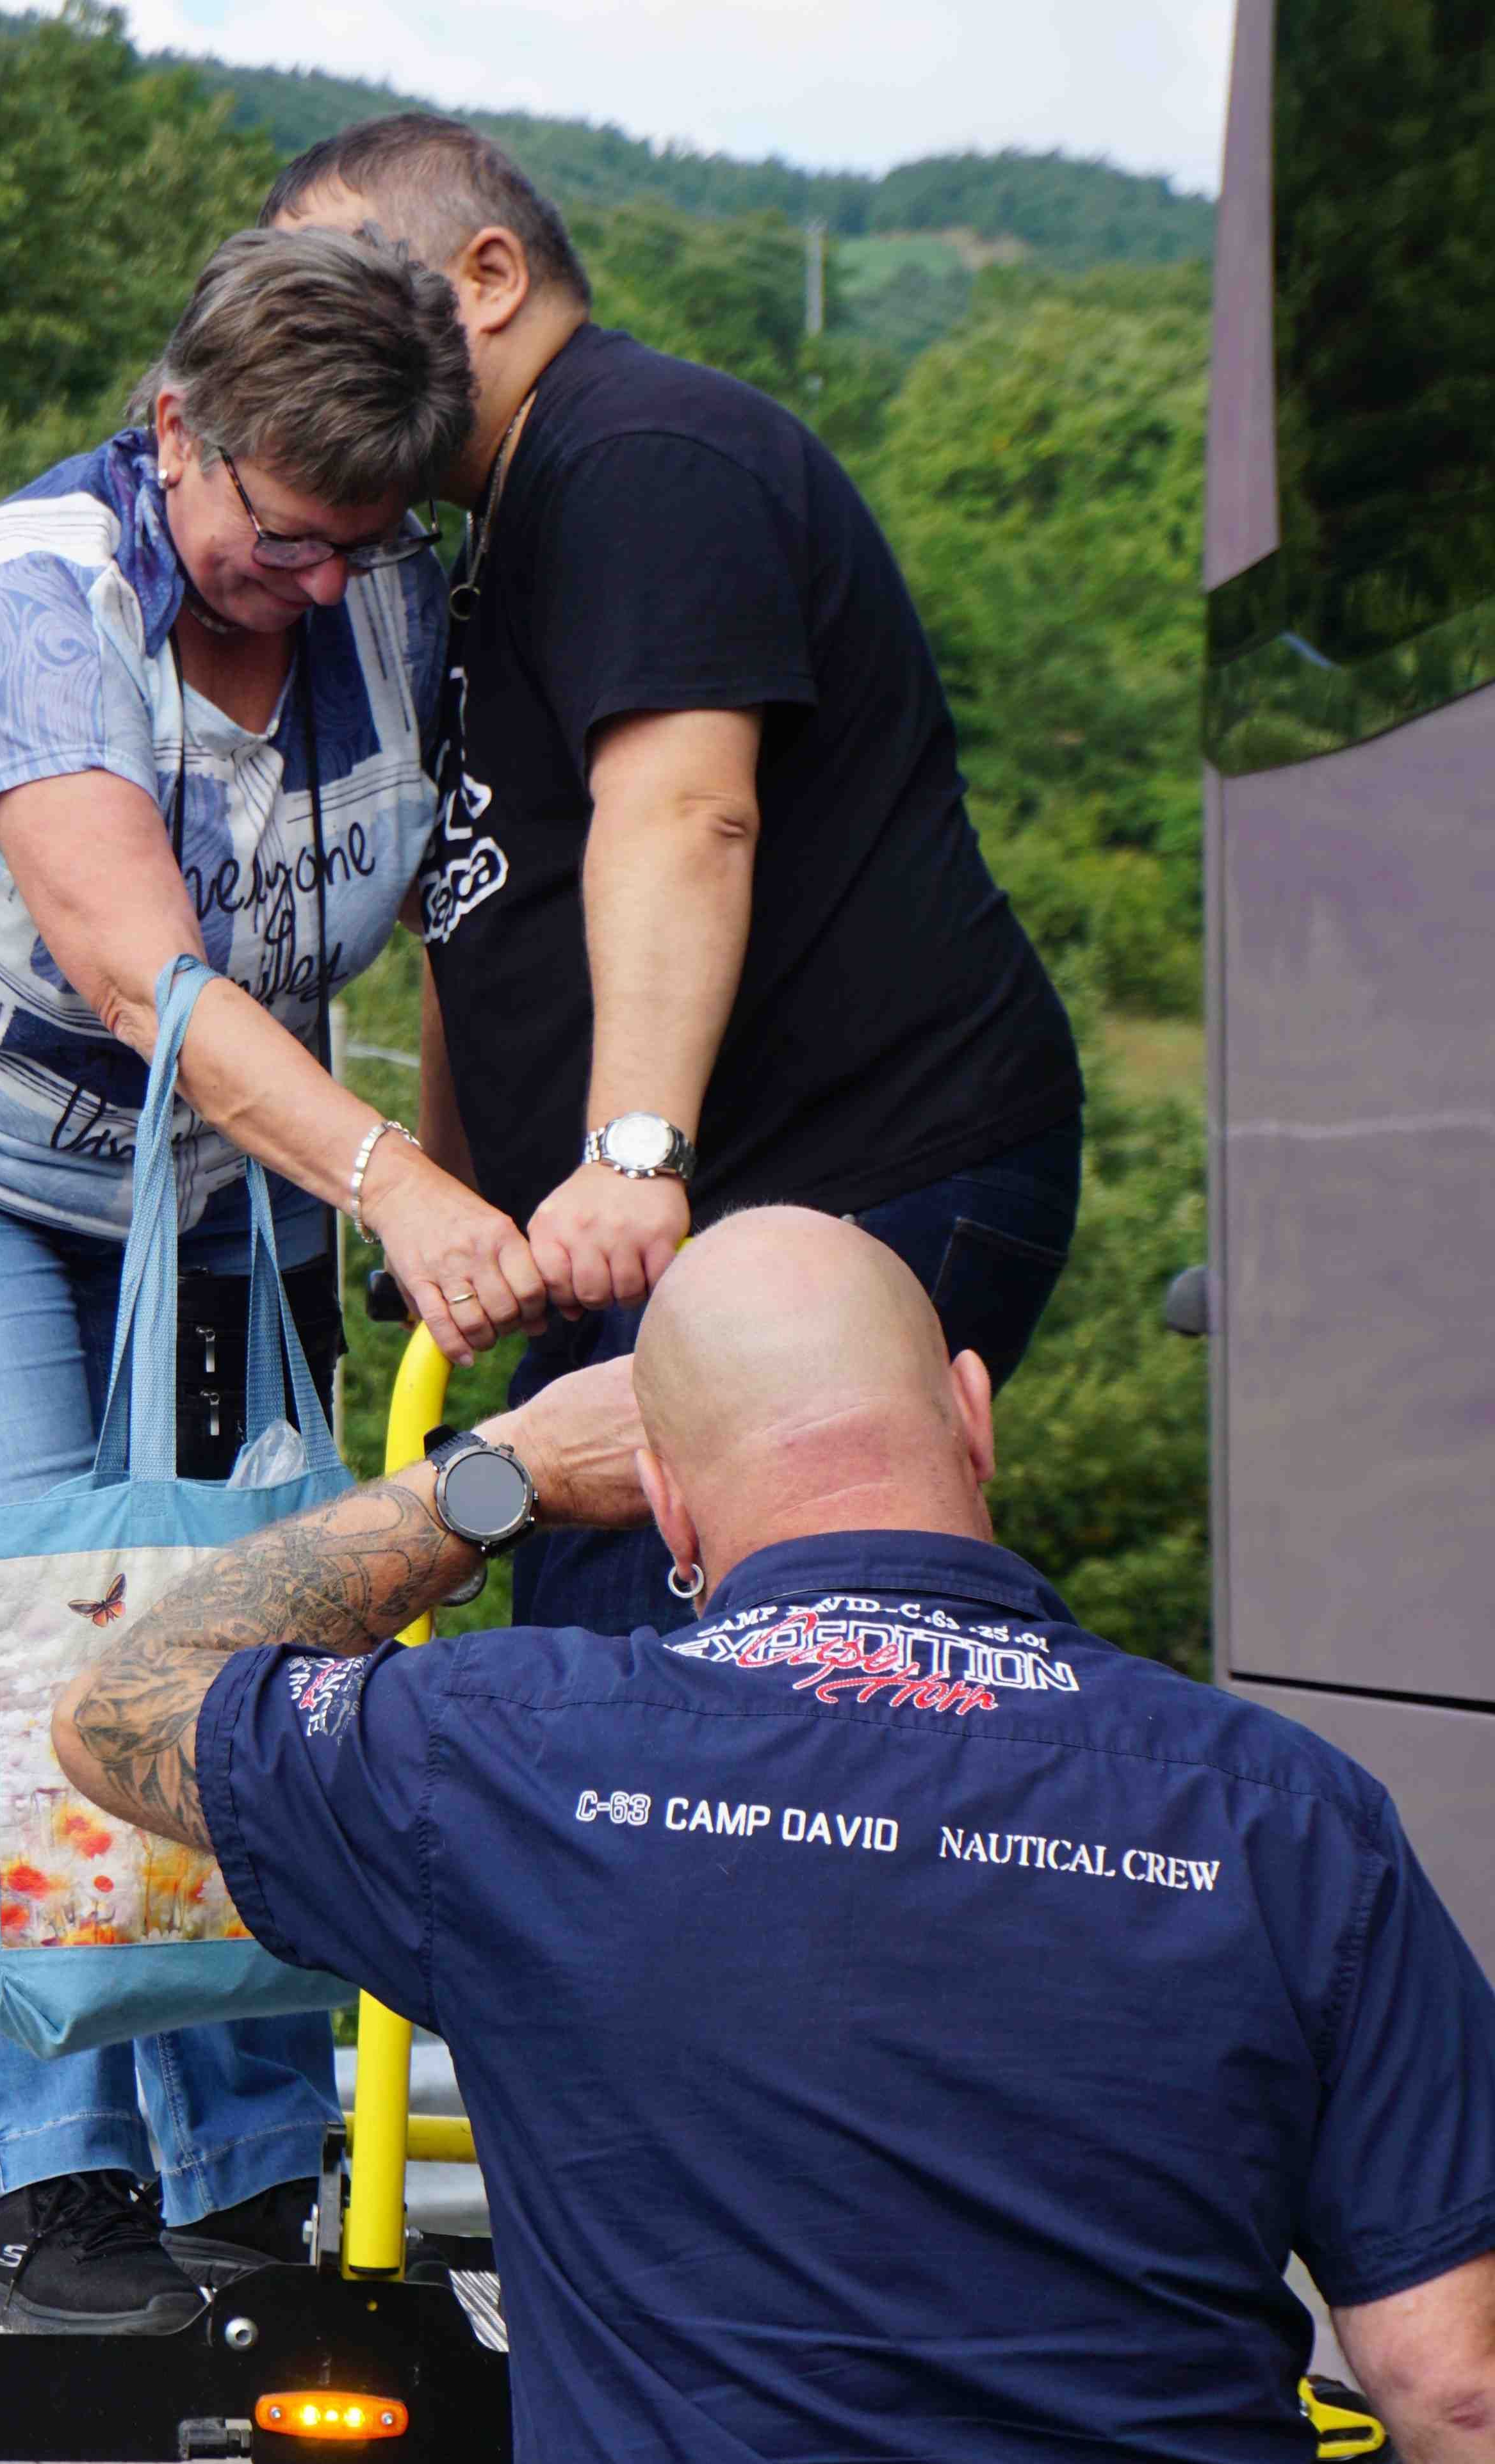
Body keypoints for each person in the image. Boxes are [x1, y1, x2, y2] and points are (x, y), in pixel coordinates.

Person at [56, 1208, 1495, 2464]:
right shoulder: (1290, 1817)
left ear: (666, 1507)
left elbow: (116, 1703)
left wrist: (496, 1473)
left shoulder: (497, 1760)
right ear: (973, 1417)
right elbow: (1452, 2392)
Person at [0, 225, 547, 2338]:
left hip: (209, 1179)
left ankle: (247, 2168)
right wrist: (394, 1187)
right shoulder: (38, 601)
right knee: (28, 1584)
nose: (318, 581)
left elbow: (461, 915)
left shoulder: (384, 591)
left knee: (248, 1603)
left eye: (359, 540)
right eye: (283, 537)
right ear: (175, 426)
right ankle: (44, 2195)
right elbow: (131, 961)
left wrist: (444, 1177)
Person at [266, 117, 1088, 1642]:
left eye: (342, 275)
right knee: (605, 1645)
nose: (314, 331)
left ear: (487, 274)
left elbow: (683, 809)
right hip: (662, 1215)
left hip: (853, 1172)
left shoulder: (640, 456)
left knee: (676, 1665)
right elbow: (479, 904)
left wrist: (634, 1152)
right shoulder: (489, 532)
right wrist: (457, 1205)